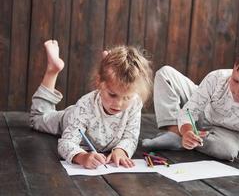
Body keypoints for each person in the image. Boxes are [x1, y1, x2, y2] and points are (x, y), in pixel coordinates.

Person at [142, 36, 239, 170]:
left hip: (230, 133)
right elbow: (189, 111)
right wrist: (187, 130)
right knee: (165, 73)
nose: (237, 90)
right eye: (235, 80)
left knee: (227, 150)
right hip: (203, 110)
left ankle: (182, 140)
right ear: (235, 66)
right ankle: (175, 130)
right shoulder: (217, 78)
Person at [30, 40, 152, 169]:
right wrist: (82, 157)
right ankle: (52, 71)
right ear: (99, 83)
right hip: (70, 118)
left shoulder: (135, 102)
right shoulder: (85, 105)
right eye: (112, 94)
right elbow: (67, 142)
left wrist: (121, 151)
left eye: (126, 97)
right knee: (37, 119)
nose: (119, 104)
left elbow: (131, 136)